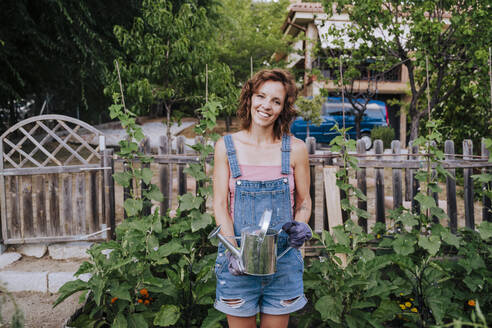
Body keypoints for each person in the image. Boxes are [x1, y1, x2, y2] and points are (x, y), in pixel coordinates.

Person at [212, 68, 312, 328]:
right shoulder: (226, 147)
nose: (266, 106)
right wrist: (233, 249)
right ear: (250, 98)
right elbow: (220, 205)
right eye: (261, 96)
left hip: (283, 262)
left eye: (276, 101)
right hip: (237, 264)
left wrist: (301, 223)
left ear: (283, 108)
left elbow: (303, 202)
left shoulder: (297, 150)